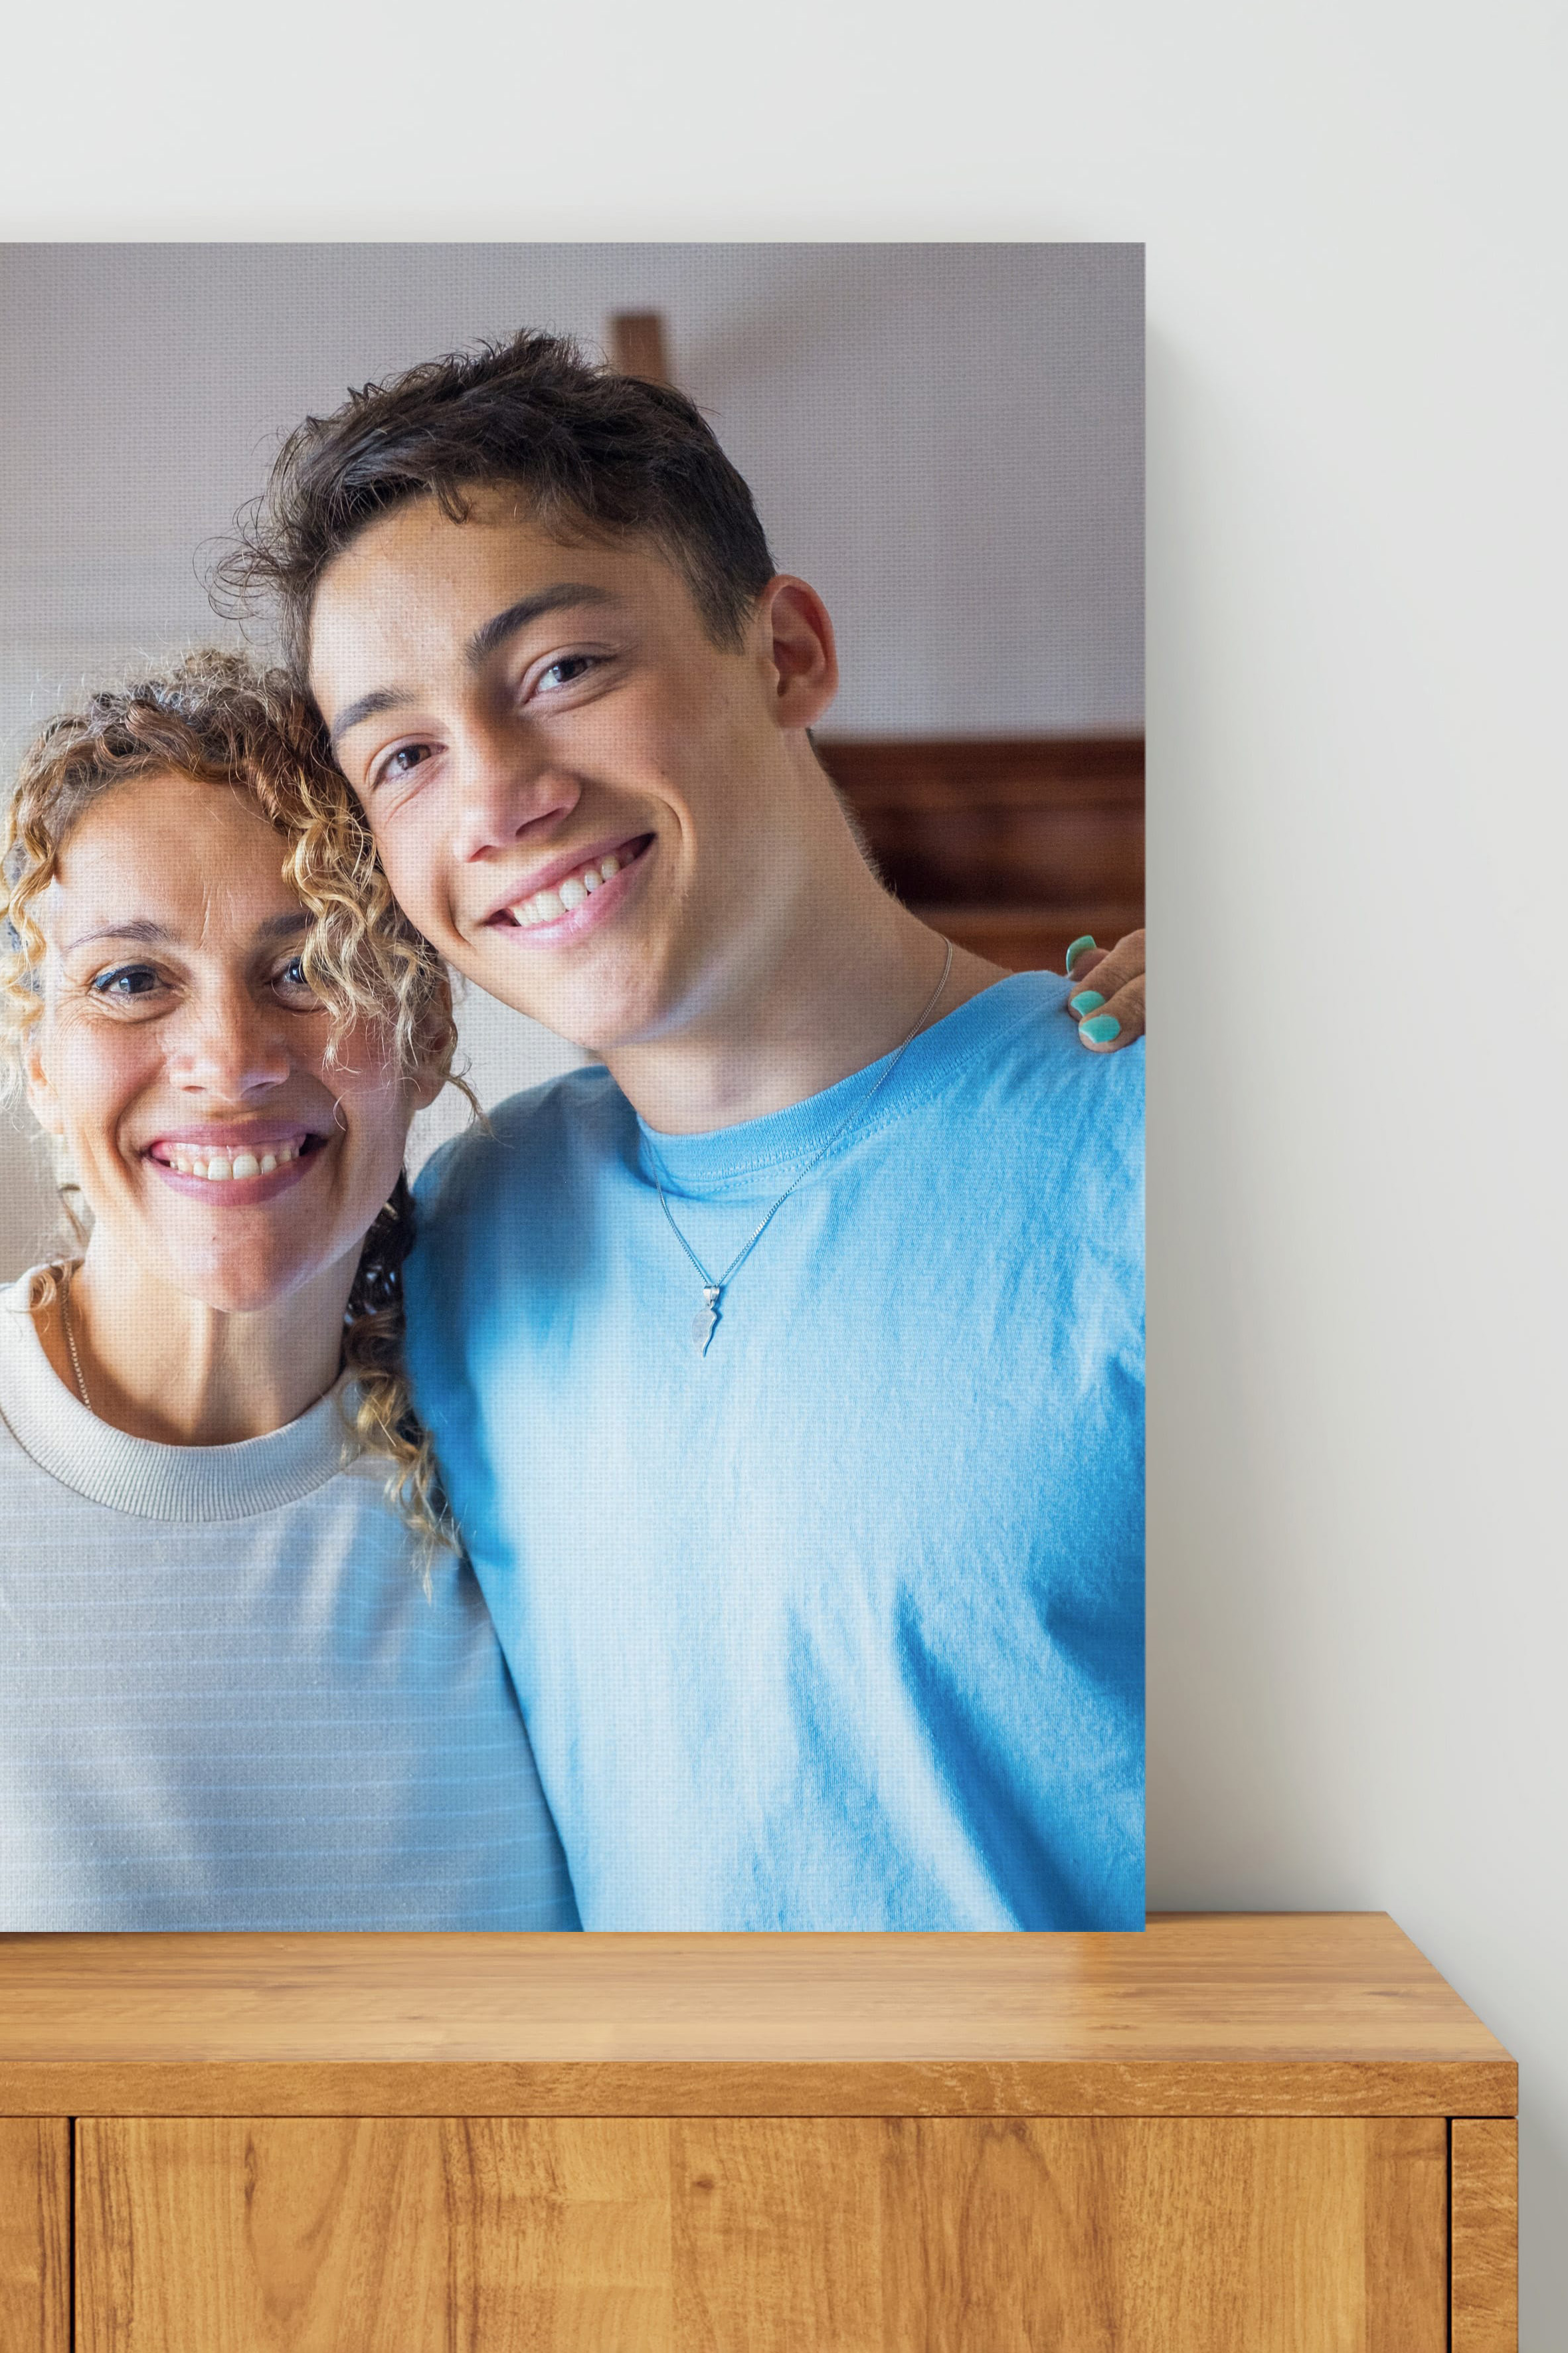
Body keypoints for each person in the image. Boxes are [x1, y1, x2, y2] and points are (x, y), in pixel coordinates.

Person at [226, 331, 1146, 1930]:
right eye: (405, 754)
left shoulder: (1161, 1146)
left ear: (784, 651)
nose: (497, 793)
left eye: (563, 670)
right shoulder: (467, 1232)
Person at [0, 649, 575, 1931]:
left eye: (309, 966)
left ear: (428, 1030)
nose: (228, 1059)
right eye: (130, 980)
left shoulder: (542, 1430)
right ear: (39, 1059)